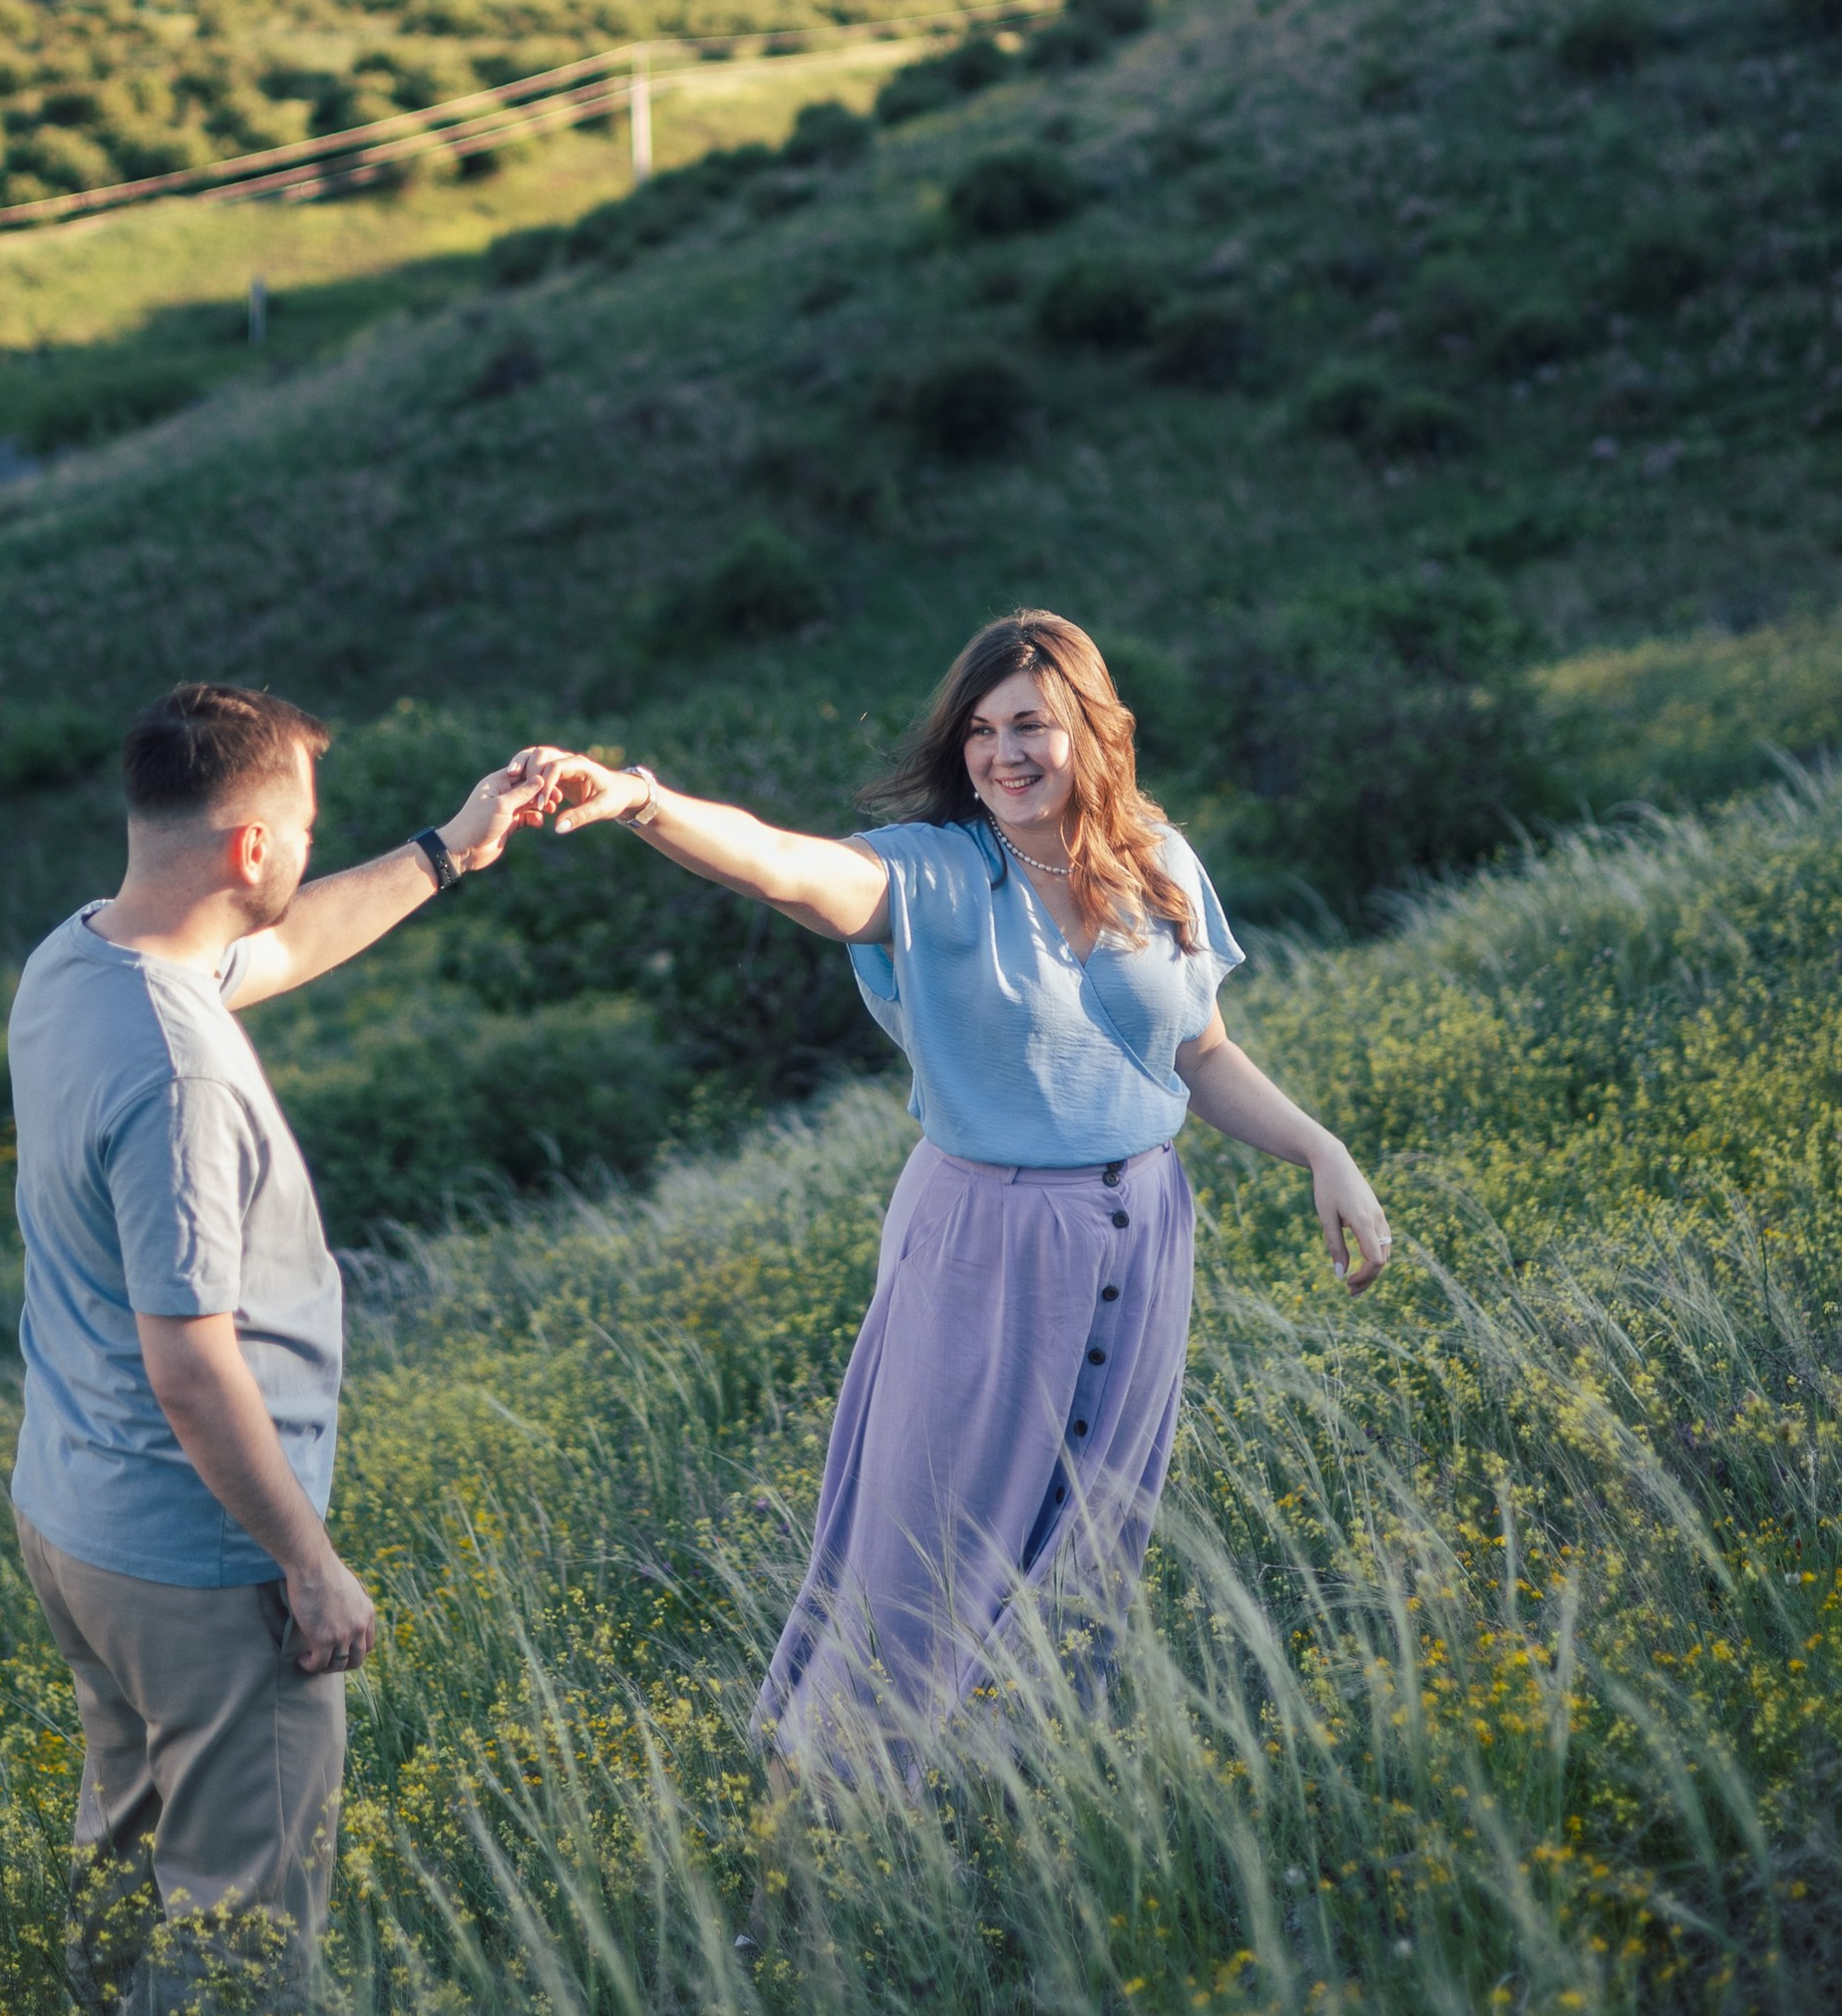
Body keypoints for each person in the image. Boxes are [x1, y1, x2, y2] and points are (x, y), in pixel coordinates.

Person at [528, 608, 1390, 1779]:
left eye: (1029, 724)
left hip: (1144, 1236)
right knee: (928, 1544)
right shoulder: (935, 876)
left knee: (1089, 1543)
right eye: (980, 732)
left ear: (1094, 729)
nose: (1003, 754)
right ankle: (837, 1801)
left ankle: (1011, 1800)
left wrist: (1321, 1150)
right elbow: (784, 865)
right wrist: (641, 800)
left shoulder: (1158, 861)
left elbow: (1198, 1052)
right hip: (989, 1239)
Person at [9, 678, 542, 2016]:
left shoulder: (82, 958)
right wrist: (308, 1564)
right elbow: (193, 1367)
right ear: (248, 844)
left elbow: (279, 950)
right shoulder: (177, 1078)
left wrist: (448, 850)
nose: (307, 854)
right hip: (199, 1557)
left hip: (78, 1526)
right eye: (300, 830)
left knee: (132, 1857)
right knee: (241, 1925)